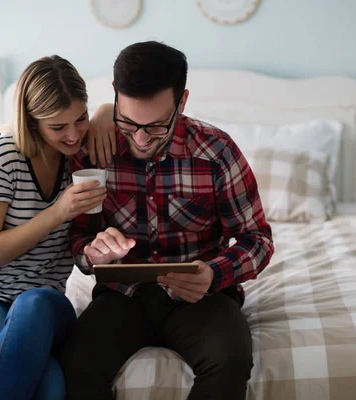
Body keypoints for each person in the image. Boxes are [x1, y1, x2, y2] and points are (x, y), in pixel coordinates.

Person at [57, 41, 275, 400]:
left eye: (156, 126)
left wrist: (214, 274)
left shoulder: (217, 152)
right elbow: (79, 238)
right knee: (74, 367)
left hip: (203, 297)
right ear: (114, 96)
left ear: (182, 101)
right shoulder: (92, 152)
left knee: (230, 361)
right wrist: (93, 254)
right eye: (128, 123)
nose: (140, 138)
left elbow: (258, 240)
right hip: (121, 298)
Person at [0, 55, 114, 400]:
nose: (73, 135)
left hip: (43, 309)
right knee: (47, 385)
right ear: (31, 122)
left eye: (81, 118)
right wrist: (58, 211)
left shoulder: (81, 154)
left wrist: (105, 112)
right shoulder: (2, 156)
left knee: (35, 301)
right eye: (58, 127)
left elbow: (128, 121)